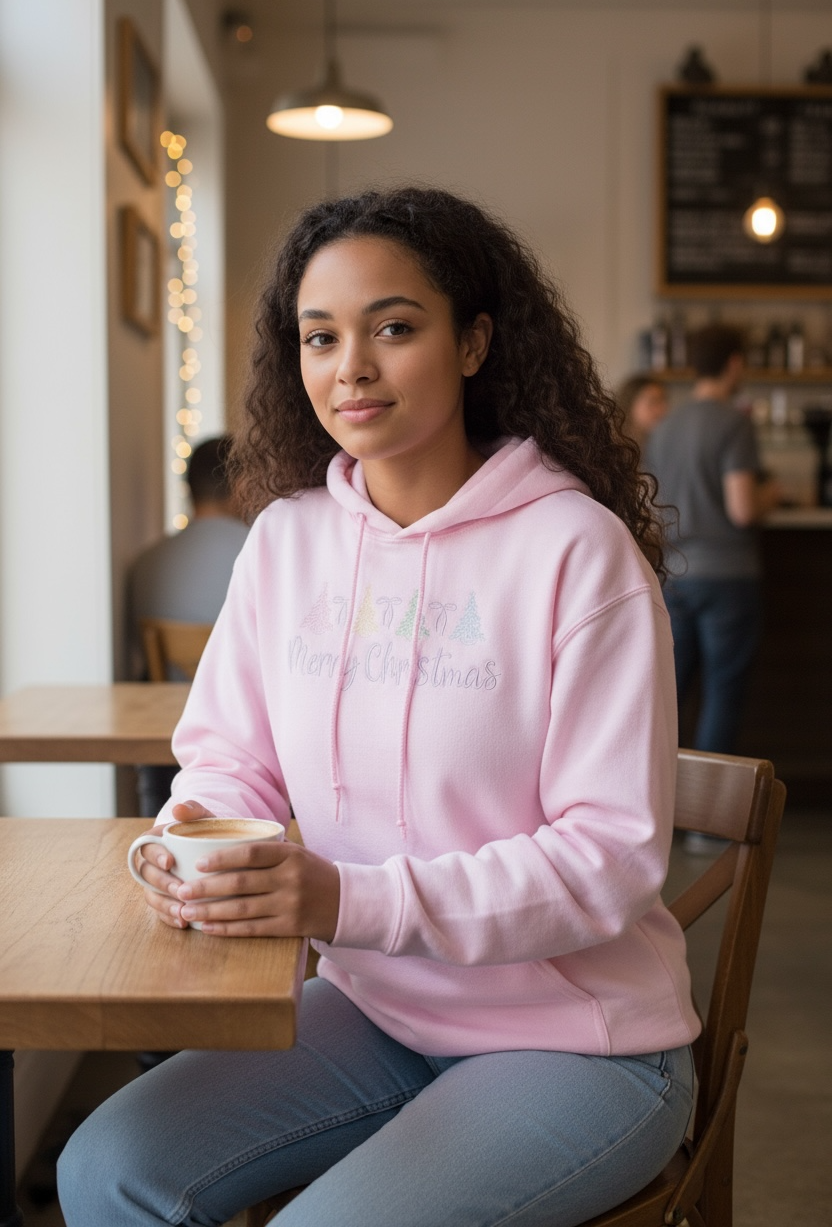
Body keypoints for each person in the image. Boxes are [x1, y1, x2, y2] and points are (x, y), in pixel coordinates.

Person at [59, 186, 698, 1227]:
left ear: (474, 342)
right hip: (377, 1008)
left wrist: (344, 904)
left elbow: (609, 857)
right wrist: (197, 837)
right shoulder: (288, 541)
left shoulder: (577, 554)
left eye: (393, 328)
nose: (350, 366)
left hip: (578, 1040)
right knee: (105, 1170)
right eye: (320, 336)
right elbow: (229, 757)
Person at [644, 325, 781, 847]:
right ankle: (705, 828)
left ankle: (654, 817)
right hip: (727, 575)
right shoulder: (734, 422)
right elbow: (743, 506)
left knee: (669, 697)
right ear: (735, 364)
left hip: (675, 574)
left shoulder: (667, 426)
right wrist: (774, 494)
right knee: (722, 694)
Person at [128, 435, 249, 818]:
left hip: (162, 751)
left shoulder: (146, 564)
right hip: (243, 744)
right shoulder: (263, 555)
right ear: (243, 485)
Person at [615, 372, 669, 451]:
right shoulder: (614, 447)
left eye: (663, 401)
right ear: (629, 404)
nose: (663, 409)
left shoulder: (663, 444)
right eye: (653, 402)